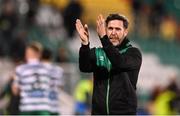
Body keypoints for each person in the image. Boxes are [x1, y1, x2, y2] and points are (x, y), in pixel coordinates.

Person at [75, 14, 142, 115]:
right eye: (110, 28)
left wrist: (104, 38)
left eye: (118, 29)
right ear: (105, 30)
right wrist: (85, 44)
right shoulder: (98, 52)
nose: (113, 32)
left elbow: (119, 62)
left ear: (125, 32)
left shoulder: (133, 53)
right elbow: (84, 67)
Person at [12, 42, 53, 115]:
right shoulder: (48, 69)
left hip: (27, 108)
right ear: (39, 54)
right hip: (43, 107)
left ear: (27, 53)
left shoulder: (20, 69)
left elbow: (15, 90)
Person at [41, 48, 64, 115]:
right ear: (51, 57)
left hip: (42, 107)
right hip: (54, 106)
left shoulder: (38, 69)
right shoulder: (59, 70)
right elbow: (61, 87)